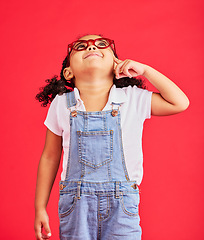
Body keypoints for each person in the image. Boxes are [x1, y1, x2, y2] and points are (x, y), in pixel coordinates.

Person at [34, 34, 189, 240]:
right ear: (68, 71)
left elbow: (179, 103)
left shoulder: (132, 98)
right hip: (75, 206)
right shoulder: (61, 104)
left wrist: (146, 70)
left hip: (122, 206)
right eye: (81, 46)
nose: (91, 47)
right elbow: (50, 157)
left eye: (101, 44)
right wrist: (40, 207)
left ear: (116, 64)